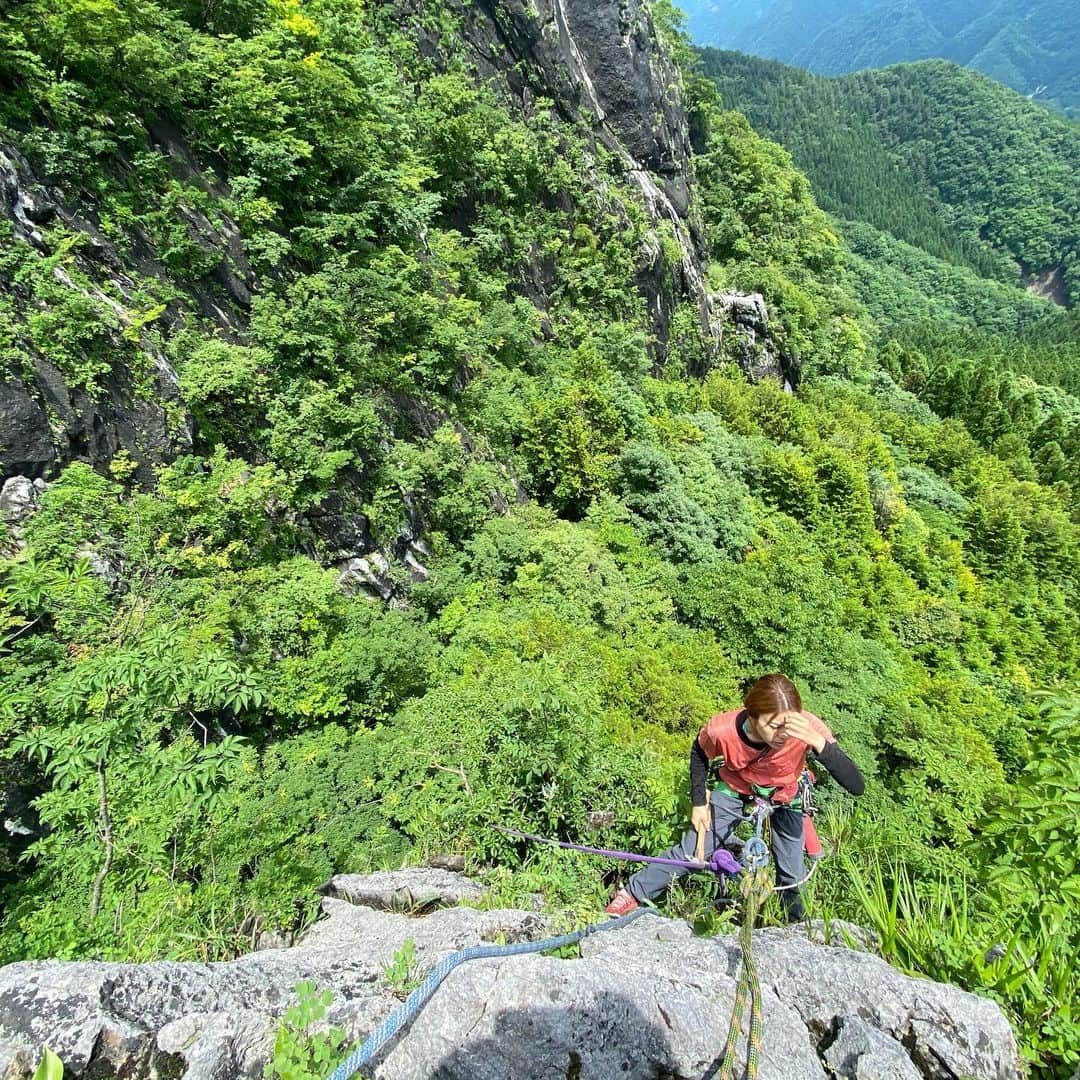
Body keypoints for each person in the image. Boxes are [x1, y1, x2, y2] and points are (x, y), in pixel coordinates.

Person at [605, 673, 864, 922]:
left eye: (788, 726)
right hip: (737, 785)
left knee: (792, 872)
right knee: (693, 851)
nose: (783, 735)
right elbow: (700, 752)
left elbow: (856, 785)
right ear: (752, 715)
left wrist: (816, 741)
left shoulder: (807, 728)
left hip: (786, 792)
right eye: (774, 726)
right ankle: (632, 893)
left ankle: (794, 926)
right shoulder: (722, 729)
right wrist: (699, 802)